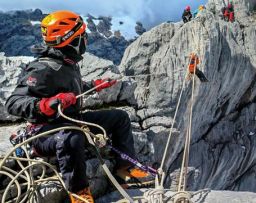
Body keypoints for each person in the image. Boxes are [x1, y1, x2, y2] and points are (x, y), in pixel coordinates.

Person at [5, 10, 151, 203]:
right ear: (70, 39)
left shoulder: (67, 63)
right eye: (82, 36)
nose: (85, 39)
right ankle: (79, 193)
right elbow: (13, 103)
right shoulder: (42, 69)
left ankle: (124, 169)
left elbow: (71, 89)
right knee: (72, 138)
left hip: (71, 121)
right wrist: (45, 105)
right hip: (44, 133)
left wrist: (95, 85)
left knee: (120, 118)